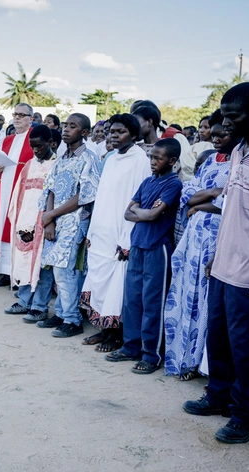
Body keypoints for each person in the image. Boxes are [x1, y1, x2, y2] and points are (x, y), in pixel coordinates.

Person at [182, 83, 249, 444]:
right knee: (220, 338)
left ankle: (247, 417)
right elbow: (233, 205)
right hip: (225, 264)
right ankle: (218, 396)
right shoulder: (241, 147)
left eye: (233, 117)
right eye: (223, 116)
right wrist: (218, 254)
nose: (225, 124)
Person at [164, 110, 237, 380]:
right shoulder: (208, 162)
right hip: (194, 239)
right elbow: (188, 193)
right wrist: (210, 195)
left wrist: (204, 200)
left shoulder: (239, 162)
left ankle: (205, 364)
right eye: (214, 134)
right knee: (187, 295)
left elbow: (230, 201)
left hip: (219, 238)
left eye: (222, 133)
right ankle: (186, 358)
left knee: (208, 300)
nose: (216, 138)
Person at [104, 138, 183, 374]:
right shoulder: (148, 182)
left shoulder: (173, 184)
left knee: (152, 302)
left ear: (172, 160)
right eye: (152, 156)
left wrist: (143, 211)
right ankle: (130, 347)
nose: (153, 161)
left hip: (157, 247)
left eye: (158, 158)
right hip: (137, 244)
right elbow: (129, 213)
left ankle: (151, 354)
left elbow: (152, 216)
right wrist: (143, 211)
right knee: (132, 300)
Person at [81, 114, 151, 352]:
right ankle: (103, 330)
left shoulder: (140, 160)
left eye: (119, 132)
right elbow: (102, 197)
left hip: (121, 233)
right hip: (101, 230)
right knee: (99, 284)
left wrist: (126, 240)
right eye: (111, 131)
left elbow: (138, 202)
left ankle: (117, 336)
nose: (113, 135)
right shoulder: (110, 159)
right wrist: (92, 231)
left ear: (133, 134)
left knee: (117, 286)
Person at [40, 114, 101, 336]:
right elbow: (51, 188)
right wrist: (49, 218)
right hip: (56, 220)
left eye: (72, 127)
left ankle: (73, 319)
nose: (65, 130)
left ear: (85, 133)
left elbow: (84, 195)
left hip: (75, 221)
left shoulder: (89, 159)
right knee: (56, 270)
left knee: (66, 271)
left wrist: (53, 214)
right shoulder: (61, 157)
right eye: (65, 125)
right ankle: (61, 313)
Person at [4, 125, 58, 322]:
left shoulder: (56, 165)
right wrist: (19, 224)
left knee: (43, 266)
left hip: (44, 223)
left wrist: (46, 223)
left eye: (39, 146)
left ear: (50, 143)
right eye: (32, 146)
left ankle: (40, 306)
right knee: (24, 262)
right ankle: (24, 300)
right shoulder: (28, 165)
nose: (35, 150)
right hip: (24, 223)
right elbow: (18, 195)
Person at [0, 103, 34, 287]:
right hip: (3, 188)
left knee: (18, 229)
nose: (17, 117)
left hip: (23, 192)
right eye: (15, 114)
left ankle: (18, 273)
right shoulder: (7, 139)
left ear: (31, 119)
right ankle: (3, 270)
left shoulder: (34, 138)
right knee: (1, 225)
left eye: (22, 115)